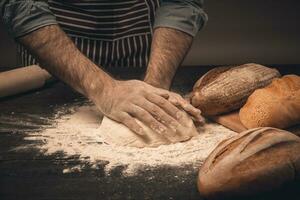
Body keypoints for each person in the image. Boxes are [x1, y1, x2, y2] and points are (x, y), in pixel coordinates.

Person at [0, 0, 207, 137]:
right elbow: (19, 5)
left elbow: (181, 2)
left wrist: (155, 85)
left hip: (140, 38)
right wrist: (105, 89)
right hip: (52, 50)